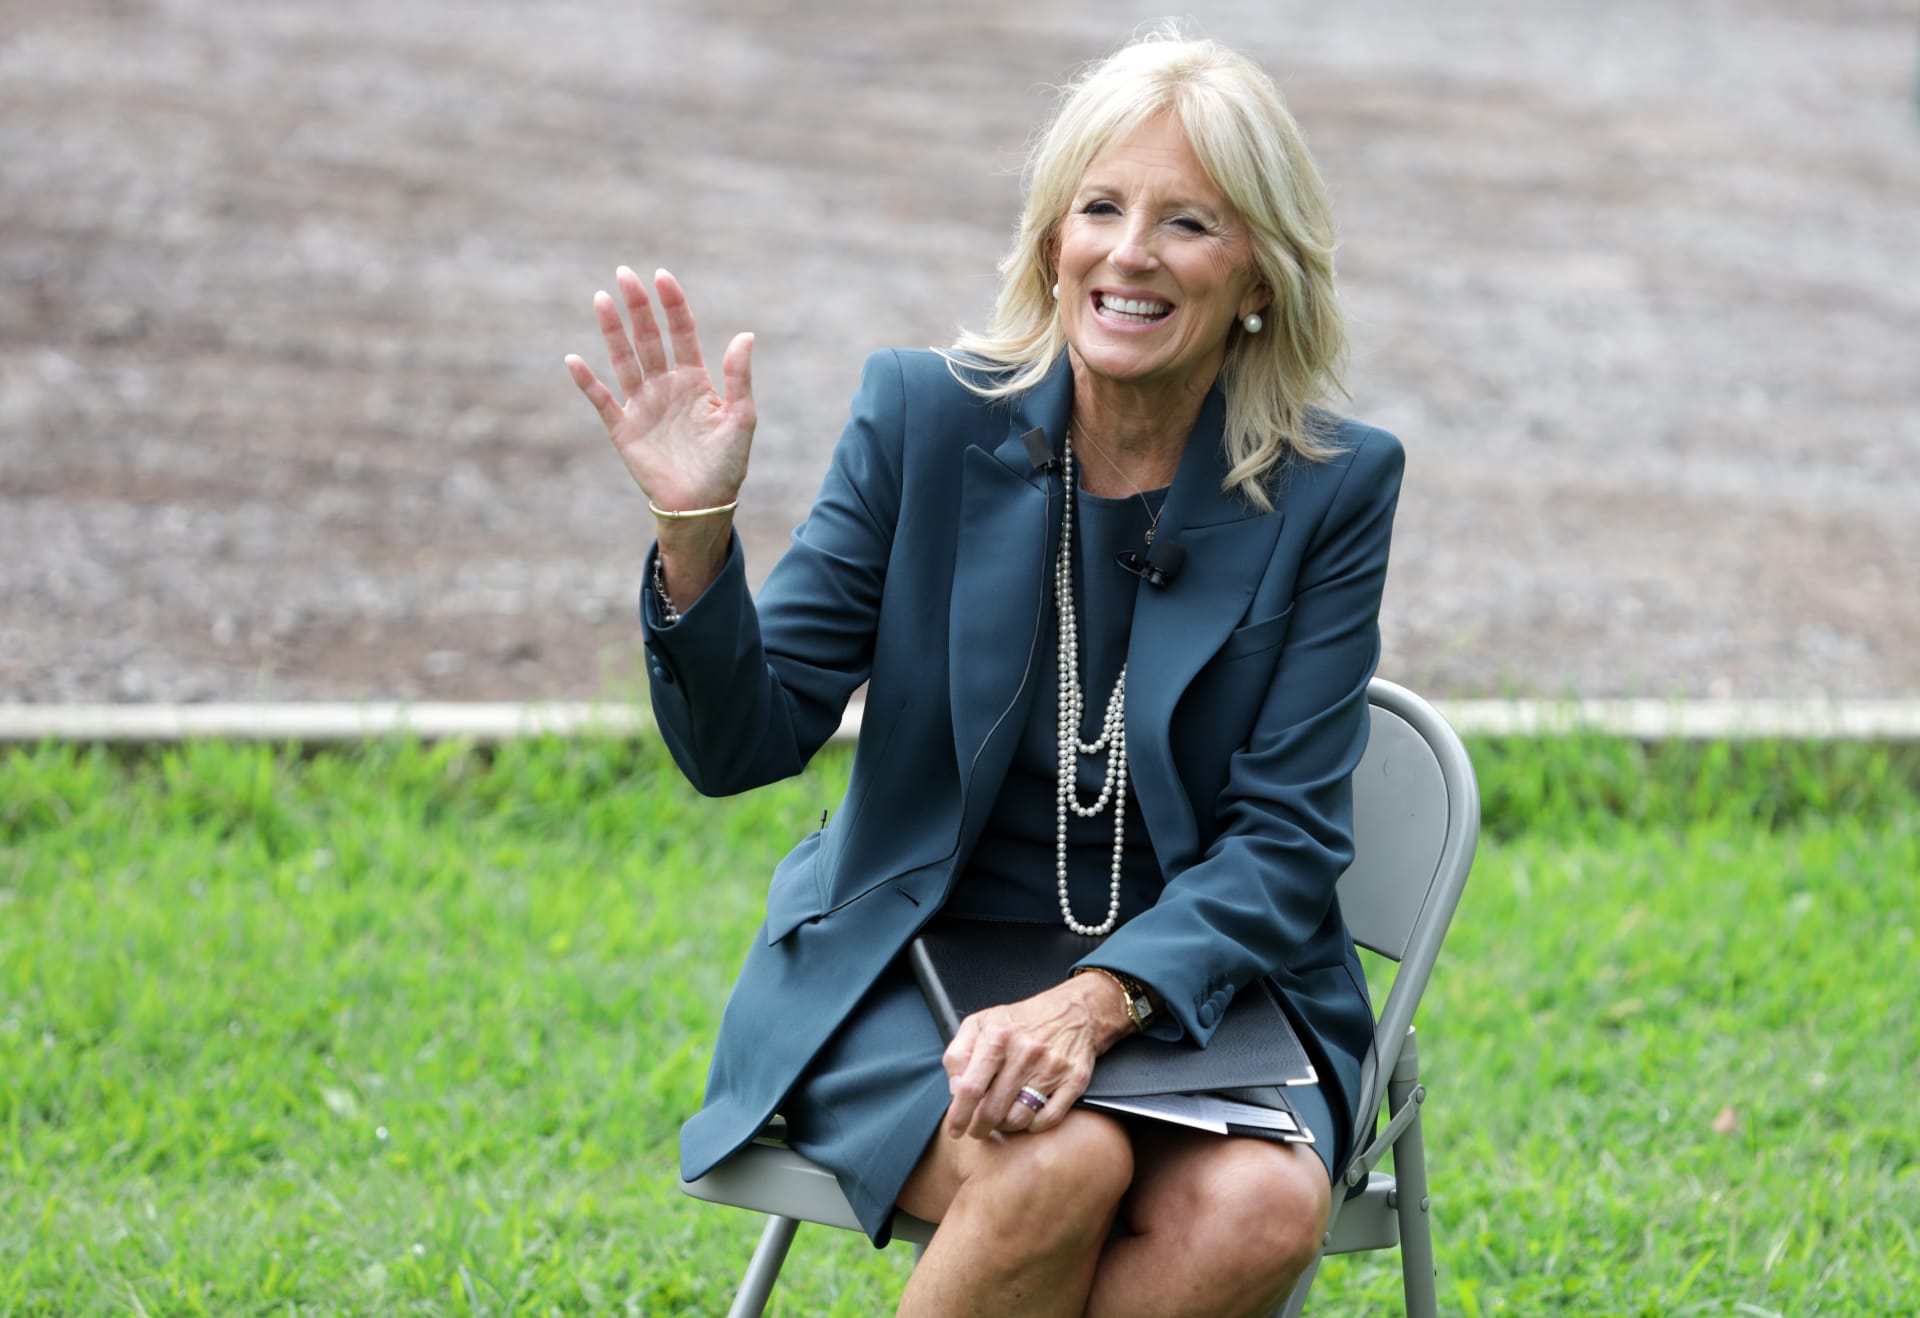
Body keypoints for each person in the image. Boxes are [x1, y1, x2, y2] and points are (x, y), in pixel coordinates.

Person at [566, 28, 1402, 1317]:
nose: (1130, 253)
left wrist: (1098, 1000)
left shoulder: (1332, 489)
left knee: (1258, 1209)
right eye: (1101, 208)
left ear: (1259, 276)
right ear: (1052, 240)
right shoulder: (924, 419)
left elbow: (1286, 840)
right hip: (910, 961)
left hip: (1193, 985)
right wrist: (696, 533)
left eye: (1187, 222)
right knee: (1058, 1161)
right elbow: (742, 744)